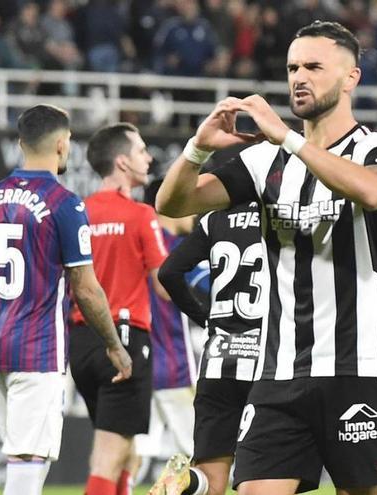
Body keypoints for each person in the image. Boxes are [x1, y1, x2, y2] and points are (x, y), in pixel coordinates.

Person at [156, 20, 377, 495]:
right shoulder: (262, 162)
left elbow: (374, 192)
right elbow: (172, 205)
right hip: (279, 371)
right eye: (293, 67)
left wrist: (291, 139)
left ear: (351, 77)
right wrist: (197, 149)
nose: (299, 77)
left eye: (314, 66)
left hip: (359, 367)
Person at [0, 104, 131, 495]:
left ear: (20, 144)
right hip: (37, 351)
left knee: (25, 460)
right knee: (28, 464)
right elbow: (85, 287)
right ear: (63, 145)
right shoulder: (65, 204)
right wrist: (114, 344)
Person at [68, 123, 168, 495]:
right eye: (142, 150)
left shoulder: (79, 212)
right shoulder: (140, 215)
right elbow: (164, 285)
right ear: (123, 162)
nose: (149, 157)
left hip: (80, 343)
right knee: (108, 455)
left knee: (126, 451)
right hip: (124, 342)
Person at [149, 200, 265, 495]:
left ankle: (189, 481)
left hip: (218, 362)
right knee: (264, 475)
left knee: (212, 481)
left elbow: (169, 272)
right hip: (267, 366)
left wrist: (206, 319)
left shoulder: (214, 220)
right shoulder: (281, 214)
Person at [133, 180, 201, 487]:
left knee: (133, 453)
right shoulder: (179, 250)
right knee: (199, 454)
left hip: (138, 364)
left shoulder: (137, 244)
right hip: (175, 367)